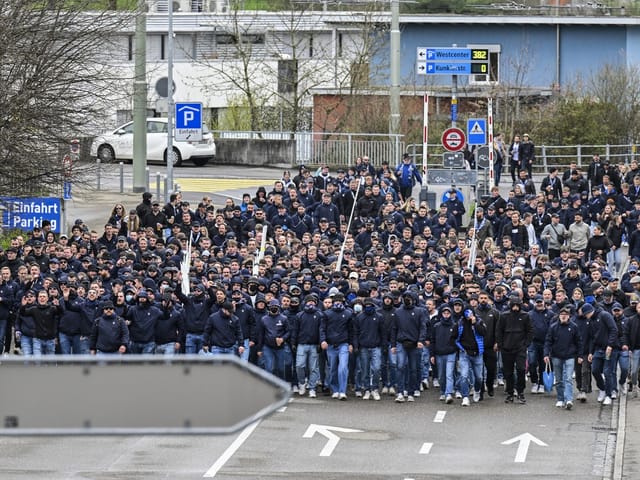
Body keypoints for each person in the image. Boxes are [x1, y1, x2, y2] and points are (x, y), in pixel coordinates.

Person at [544, 305, 584, 409]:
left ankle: (569, 399)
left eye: (565, 315)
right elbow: (548, 341)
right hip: (556, 356)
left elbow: (579, 342)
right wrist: (546, 354)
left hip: (570, 356)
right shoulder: (553, 327)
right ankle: (560, 399)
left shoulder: (574, 327)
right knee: (558, 379)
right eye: (561, 314)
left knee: (568, 378)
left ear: (569, 316)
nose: (563, 316)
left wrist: (580, 355)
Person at [391, 291, 428, 403]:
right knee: (400, 367)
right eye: (405, 297)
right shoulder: (398, 312)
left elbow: (423, 327)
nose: (407, 299)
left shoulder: (419, 311)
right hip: (401, 343)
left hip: (415, 344)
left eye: (409, 297)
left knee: (413, 369)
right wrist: (393, 345)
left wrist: (421, 340)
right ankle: (401, 392)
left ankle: (411, 391)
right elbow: (394, 329)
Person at [496, 295, 533, 404]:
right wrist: (501, 344)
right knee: (508, 372)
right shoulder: (504, 316)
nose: (516, 308)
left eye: (517, 305)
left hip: (520, 347)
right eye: (514, 305)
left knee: (521, 369)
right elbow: (499, 331)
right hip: (507, 348)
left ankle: (520, 391)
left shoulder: (525, 316)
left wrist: (526, 344)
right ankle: (510, 392)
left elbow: (530, 331)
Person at [320, 293, 354, 400]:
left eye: (340, 300)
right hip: (330, 345)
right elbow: (322, 329)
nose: (338, 302)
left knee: (343, 367)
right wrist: (323, 340)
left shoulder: (348, 313)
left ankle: (342, 391)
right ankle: (335, 389)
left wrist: (351, 344)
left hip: (343, 344)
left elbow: (351, 331)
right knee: (333, 369)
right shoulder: (327, 314)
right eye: (336, 301)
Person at [584, 302, 617, 405]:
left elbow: (613, 329)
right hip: (598, 349)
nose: (586, 316)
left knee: (607, 372)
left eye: (586, 314)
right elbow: (591, 338)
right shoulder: (590, 321)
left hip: (608, 349)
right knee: (595, 370)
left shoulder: (604, 315)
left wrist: (610, 345)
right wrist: (590, 352)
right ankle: (602, 388)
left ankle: (608, 395)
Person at [353, 298, 385, 401]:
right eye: (366, 305)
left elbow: (382, 333)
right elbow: (356, 333)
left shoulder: (379, 317)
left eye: (370, 305)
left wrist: (383, 346)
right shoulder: (359, 317)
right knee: (365, 370)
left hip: (376, 347)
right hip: (363, 347)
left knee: (376, 369)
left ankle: (375, 388)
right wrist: (356, 346)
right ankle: (367, 389)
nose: (368, 307)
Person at [291, 295, 323, 398]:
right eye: (309, 301)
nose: (311, 303)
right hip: (301, 344)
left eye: (313, 302)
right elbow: (295, 330)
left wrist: (320, 343)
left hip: (314, 345)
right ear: (305, 303)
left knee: (313, 368)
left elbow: (321, 331)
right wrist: (293, 343)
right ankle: (301, 383)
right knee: (299, 366)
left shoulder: (319, 315)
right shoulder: (299, 315)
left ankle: (312, 388)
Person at [455, 308, 487, 406]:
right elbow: (455, 338)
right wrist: (460, 348)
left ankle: (477, 390)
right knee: (464, 375)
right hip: (464, 353)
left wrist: (475, 324)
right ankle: (465, 397)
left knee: (479, 377)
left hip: (477, 353)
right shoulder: (460, 323)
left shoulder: (479, 321)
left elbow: (483, 333)